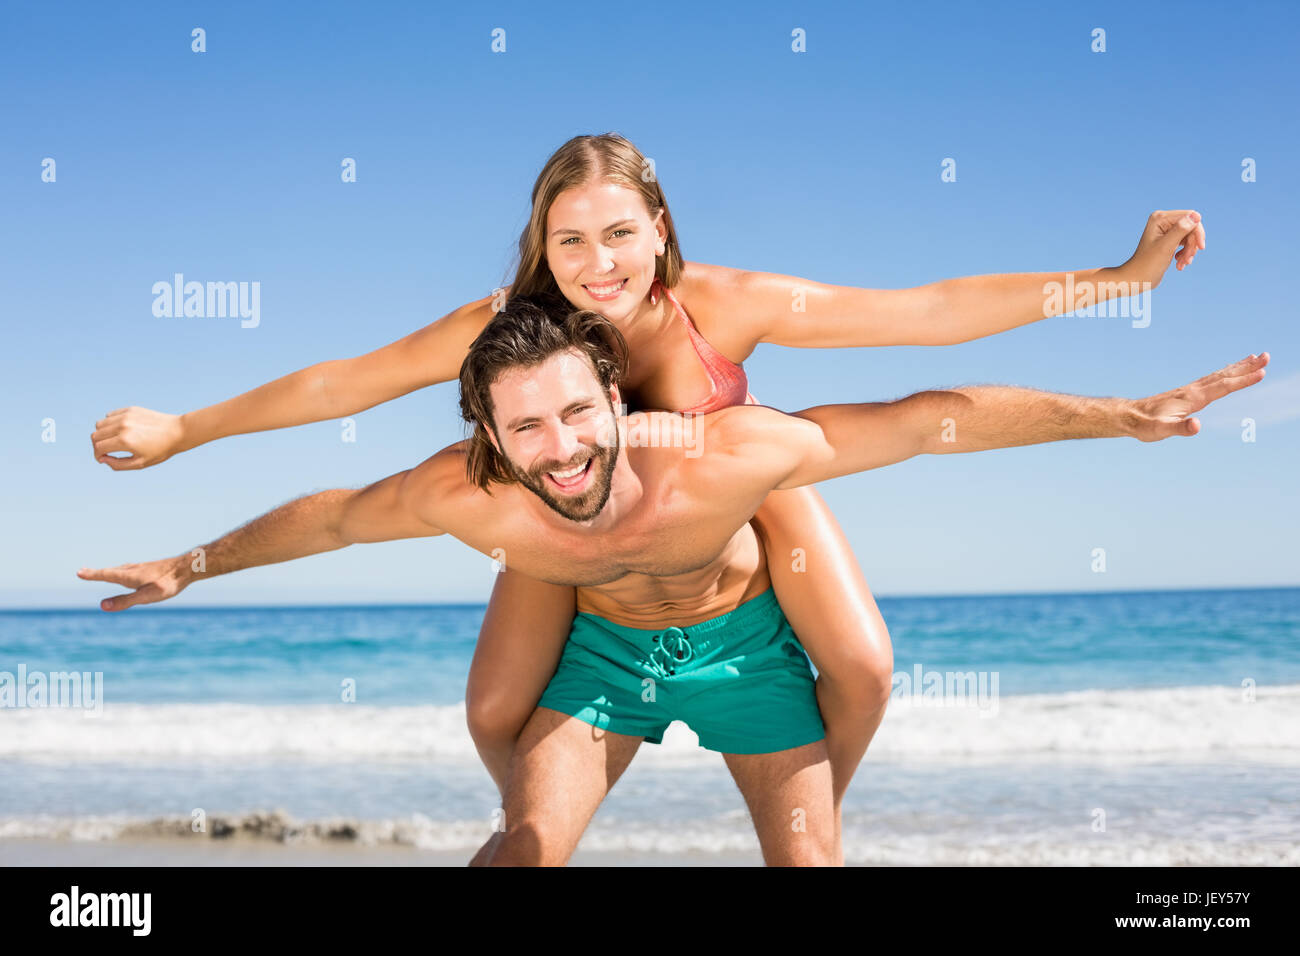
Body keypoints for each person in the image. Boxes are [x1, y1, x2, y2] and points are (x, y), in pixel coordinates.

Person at [87, 133, 1209, 853]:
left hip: (734, 496)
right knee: (491, 718)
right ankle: (548, 808)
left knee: (863, 667)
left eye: (620, 231)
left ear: (660, 229)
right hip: (565, 526)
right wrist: (187, 429)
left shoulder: (722, 302)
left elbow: (929, 316)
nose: (597, 261)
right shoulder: (508, 330)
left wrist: (1112, 285)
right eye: (568, 238)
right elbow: (346, 384)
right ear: (539, 244)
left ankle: (800, 801)